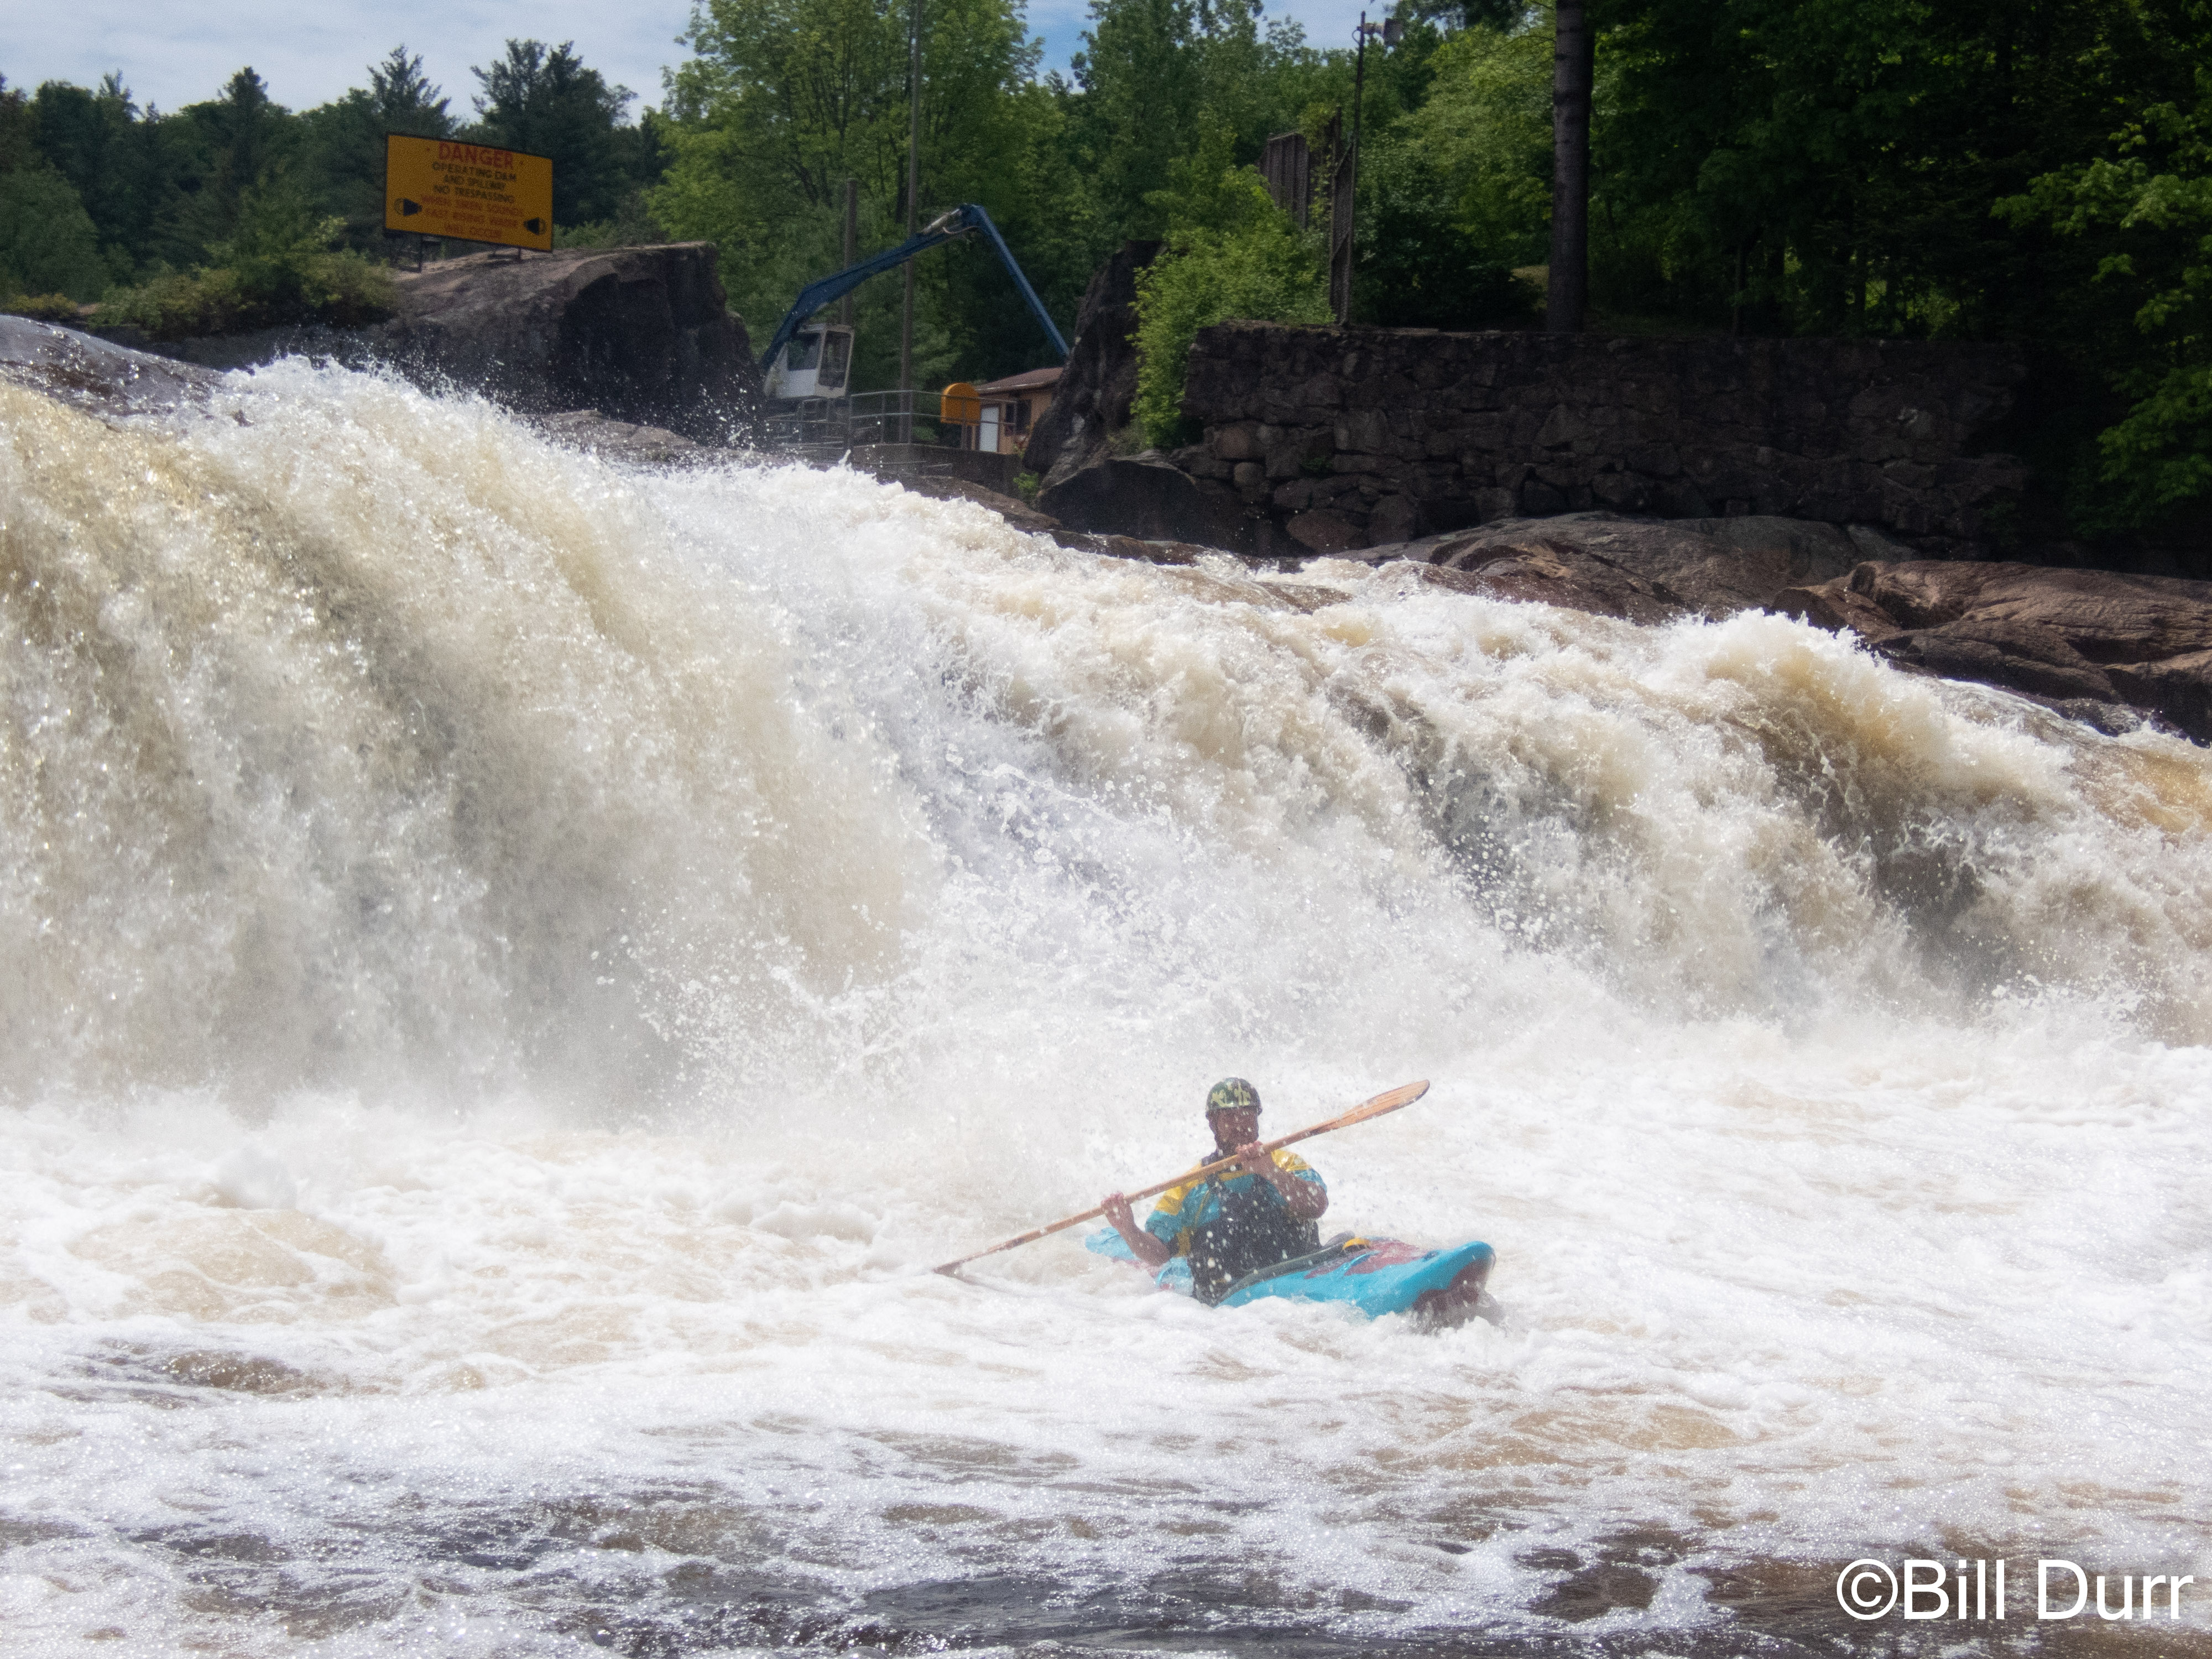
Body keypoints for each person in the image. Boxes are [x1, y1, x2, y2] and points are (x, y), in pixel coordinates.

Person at [1101, 1078, 1329, 1305]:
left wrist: (1272, 1172)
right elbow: (1158, 1254)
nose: (1239, 1123)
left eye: (1246, 1114)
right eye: (1229, 1116)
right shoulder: (1190, 1187)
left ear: (1257, 1117)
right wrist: (1128, 1229)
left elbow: (1317, 1206)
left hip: (1298, 1292)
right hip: (1231, 1311)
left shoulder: (1284, 1163)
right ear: (1212, 1123)